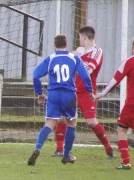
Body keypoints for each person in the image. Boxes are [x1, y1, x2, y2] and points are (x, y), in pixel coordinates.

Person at [27, 34, 95, 166]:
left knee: (49, 123)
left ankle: (37, 148)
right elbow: (85, 76)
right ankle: (66, 155)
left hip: (53, 95)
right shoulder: (74, 58)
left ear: (54, 45)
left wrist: (40, 93)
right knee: (71, 123)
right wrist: (90, 91)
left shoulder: (50, 59)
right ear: (66, 45)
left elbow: (35, 76)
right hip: (69, 94)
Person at [53, 26, 114, 158]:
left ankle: (109, 149)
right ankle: (59, 149)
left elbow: (89, 70)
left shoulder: (97, 52)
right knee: (62, 118)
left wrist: (77, 58)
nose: (79, 39)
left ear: (85, 37)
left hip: (87, 92)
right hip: (72, 90)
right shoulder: (79, 50)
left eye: (80, 37)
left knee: (91, 122)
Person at [95, 40, 134, 170]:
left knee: (122, 129)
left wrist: (103, 93)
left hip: (132, 104)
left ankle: (126, 162)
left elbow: (115, 80)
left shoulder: (130, 61)